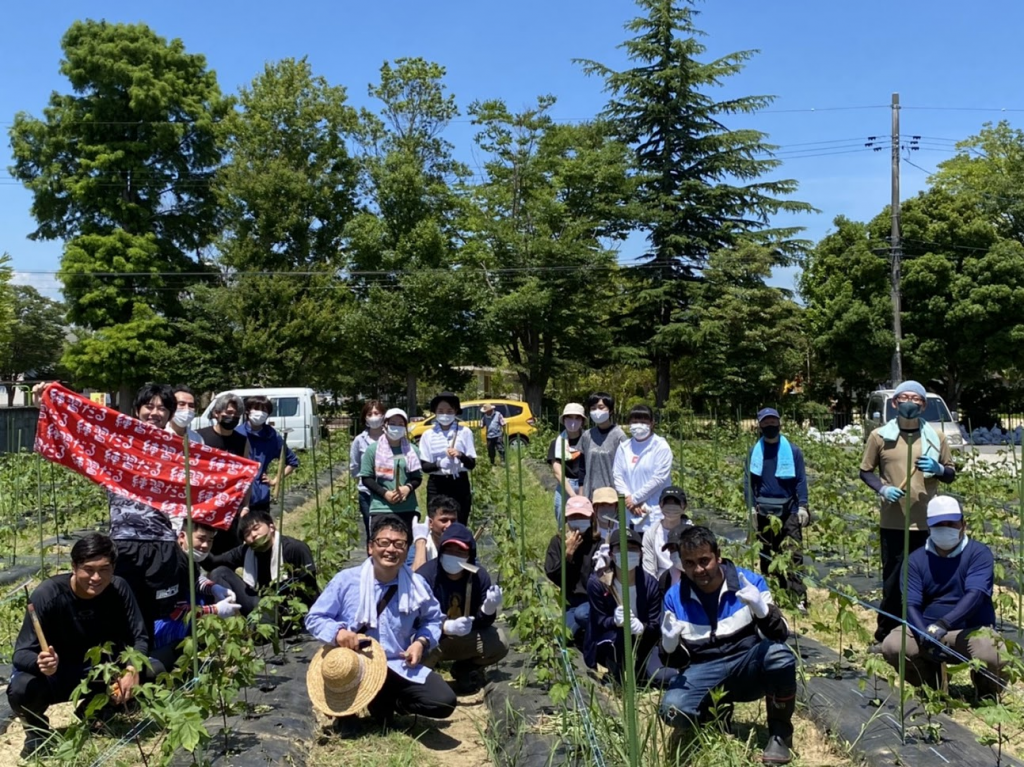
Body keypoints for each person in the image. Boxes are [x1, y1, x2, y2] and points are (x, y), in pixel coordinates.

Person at [305, 514, 456, 731]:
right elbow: (314, 618)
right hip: (355, 665)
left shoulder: (416, 584)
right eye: (383, 543)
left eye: (399, 544)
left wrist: (421, 642)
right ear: (370, 547)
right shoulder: (346, 581)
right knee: (349, 729)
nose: (391, 550)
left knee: (443, 701)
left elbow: (432, 619)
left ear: (406, 550)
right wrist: (338, 633)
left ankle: (387, 702)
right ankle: (353, 708)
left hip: (396, 664)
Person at [659, 526, 795, 765]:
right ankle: (713, 716)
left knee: (779, 656)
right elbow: (678, 664)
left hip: (747, 666)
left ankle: (780, 734)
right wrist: (669, 646)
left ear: (718, 556)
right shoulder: (674, 597)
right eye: (689, 563)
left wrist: (763, 612)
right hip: (704, 669)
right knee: (672, 709)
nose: (698, 570)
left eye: (704, 561)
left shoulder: (749, 583)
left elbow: (780, 634)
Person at [7, 534, 149, 758]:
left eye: (104, 570)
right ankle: (37, 731)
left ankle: (97, 711)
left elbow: (139, 637)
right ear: (73, 567)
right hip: (57, 675)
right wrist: (41, 662)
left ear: (113, 568)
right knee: (22, 688)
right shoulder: (48, 594)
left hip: (100, 672)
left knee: (152, 670)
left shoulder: (119, 590)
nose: (96, 577)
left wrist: (132, 669)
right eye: (88, 569)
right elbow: (20, 653)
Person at [859, 380, 956, 644]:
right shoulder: (880, 436)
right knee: (892, 583)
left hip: (928, 523)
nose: (910, 402)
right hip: (894, 521)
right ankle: (885, 635)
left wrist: (938, 469)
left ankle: (921, 633)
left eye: (916, 398)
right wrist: (882, 489)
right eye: (905, 398)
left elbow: (950, 473)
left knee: (927, 580)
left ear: (923, 405)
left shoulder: (936, 437)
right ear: (895, 403)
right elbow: (865, 471)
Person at [881, 496, 1006, 699]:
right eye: (939, 524)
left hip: (970, 630)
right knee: (894, 646)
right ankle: (931, 683)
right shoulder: (915, 560)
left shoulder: (978, 554)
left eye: (951, 523)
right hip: (928, 627)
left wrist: (943, 624)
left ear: (963, 525)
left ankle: (986, 690)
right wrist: (924, 633)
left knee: (994, 653)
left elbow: (974, 596)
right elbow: (911, 604)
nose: (945, 528)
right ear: (929, 527)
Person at [105, 383, 191, 640]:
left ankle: (153, 667)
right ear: (136, 409)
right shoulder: (116, 445)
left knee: (160, 610)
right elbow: (79, 430)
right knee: (121, 608)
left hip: (162, 543)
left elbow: (195, 489)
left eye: (162, 408)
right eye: (149, 406)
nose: (155, 413)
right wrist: (50, 402)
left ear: (170, 414)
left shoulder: (179, 449)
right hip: (123, 541)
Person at [418, 523, 509, 692]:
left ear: (470, 554)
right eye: (449, 550)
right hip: (434, 639)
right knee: (415, 650)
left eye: (460, 552)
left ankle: (464, 669)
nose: (453, 556)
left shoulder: (479, 576)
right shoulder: (425, 576)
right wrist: (445, 627)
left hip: (466, 639)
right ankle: (424, 680)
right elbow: (415, 620)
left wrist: (488, 609)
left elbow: (483, 623)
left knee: (499, 642)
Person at [152, 522, 242, 673]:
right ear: (182, 537)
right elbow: (177, 612)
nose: (206, 545)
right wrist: (214, 610)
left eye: (211, 540)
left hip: (178, 612)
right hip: (161, 623)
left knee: (202, 597)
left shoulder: (187, 558)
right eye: (201, 538)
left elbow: (195, 580)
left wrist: (213, 587)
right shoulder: (170, 563)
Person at [204, 510, 319, 624]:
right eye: (247, 534)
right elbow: (213, 562)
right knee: (220, 572)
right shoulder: (246, 551)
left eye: (256, 528)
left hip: (290, 610)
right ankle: (228, 623)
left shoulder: (295, 548)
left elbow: (310, 589)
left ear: (271, 527)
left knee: (260, 627)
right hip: (263, 604)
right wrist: (194, 547)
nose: (253, 535)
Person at [746, 408, 810, 610]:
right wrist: (751, 509)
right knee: (767, 552)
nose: (770, 425)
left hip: (789, 509)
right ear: (759, 425)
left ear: (780, 423)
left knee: (793, 553)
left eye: (773, 421)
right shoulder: (755, 452)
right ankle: (771, 592)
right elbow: (749, 482)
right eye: (766, 422)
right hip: (763, 509)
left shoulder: (792, 451)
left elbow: (800, 479)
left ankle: (797, 596)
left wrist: (803, 506)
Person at [585, 528, 662, 683]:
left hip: (641, 639)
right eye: (621, 549)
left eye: (632, 549)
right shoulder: (599, 582)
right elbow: (599, 621)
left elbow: (655, 624)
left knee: (650, 675)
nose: (627, 553)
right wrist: (614, 621)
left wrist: (642, 628)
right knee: (617, 640)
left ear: (640, 553)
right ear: (612, 554)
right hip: (609, 637)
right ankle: (611, 671)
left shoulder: (650, 584)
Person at [197, 392, 252, 553]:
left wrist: (246, 505)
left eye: (236, 415)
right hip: (205, 504)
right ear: (216, 413)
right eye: (228, 413)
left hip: (231, 506)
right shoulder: (201, 437)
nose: (232, 417)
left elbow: (246, 476)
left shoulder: (242, 441)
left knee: (229, 551)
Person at [545, 496, 603, 643]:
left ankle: (593, 636)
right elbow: (554, 575)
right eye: (573, 516)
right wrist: (568, 555)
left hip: (593, 602)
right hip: (571, 603)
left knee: (582, 614)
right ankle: (588, 634)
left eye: (582, 516)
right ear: (566, 519)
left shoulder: (598, 543)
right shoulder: (557, 543)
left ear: (591, 518)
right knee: (564, 636)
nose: (578, 520)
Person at [359, 408, 424, 534]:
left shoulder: (412, 450)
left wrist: (408, 488)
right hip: (381, 508)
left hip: (407, 507)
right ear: (385, 424)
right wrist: (385, 493)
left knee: (404, 547)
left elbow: (417, 477)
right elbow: (366, 478)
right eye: (393, 423)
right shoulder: (373, 450)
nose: (397, 427)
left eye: (401, 424)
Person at [613, 404, 673, 533]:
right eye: (635, 422)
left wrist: (635, 499)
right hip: (628, 509)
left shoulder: (660, 446)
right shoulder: (624, 447)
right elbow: (617, 475)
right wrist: (629, 500)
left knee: (651, 547)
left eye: (643, 421)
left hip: (653, 509)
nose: (638, 425)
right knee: (629, 548)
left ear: (652, 423)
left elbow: (659, 478)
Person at [419, 392, 477, 526]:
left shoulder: (465, 432)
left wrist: (460, 455)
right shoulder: (428, 435)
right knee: (437, 523)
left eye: (449, 411)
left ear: (456, 411)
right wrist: (439, 464)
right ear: (435, 412)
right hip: (437, 484)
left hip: (459, 482)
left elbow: (471, 464)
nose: (445, 414)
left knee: (459, 521)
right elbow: (425, 466)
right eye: (441, 411)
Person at [240, 394, 300, 512]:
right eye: (256, 409)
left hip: (260, 497)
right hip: (238, 496)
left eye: (264, 410)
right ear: (247, 410)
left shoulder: (271, 436)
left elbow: (292, 461)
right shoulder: (237, 434)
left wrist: (275, 480)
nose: (260, 413)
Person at [578, 392, 628, 501]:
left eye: (601, 407)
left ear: (610, 410)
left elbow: (626, 468)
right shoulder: (587, 436)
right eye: (593, 408)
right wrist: (581, 492)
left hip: (612, 494)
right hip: (589, 492)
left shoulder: (619, 436)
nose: (597, 411)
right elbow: (582, 468)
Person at [350, 401, 385, 542]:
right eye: (370, 414)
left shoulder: (390, 438)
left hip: (387, 492)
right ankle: (372, 560)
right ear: (365, 418)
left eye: (377, 413)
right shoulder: (359, 440)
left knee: (387, 528)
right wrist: (365, 480)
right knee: (371, 529)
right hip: (367, 493)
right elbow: (354, 465)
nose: (373, 417)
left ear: (383, 416)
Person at [642, 486, 692, 580]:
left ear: (684, 506)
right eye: (667, 502)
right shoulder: (650, 534)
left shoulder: (693, 532)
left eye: (676, 502)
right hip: (661, 583)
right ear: (660, 505)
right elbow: (649, 571)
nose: (671, 506)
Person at [548, 403, 587, 522]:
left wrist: (582, 494)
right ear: (564, 420)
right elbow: (557, 472)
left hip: (586, 485)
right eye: (569, 417)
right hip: (565, 485)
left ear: (582, 421)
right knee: (562, 518)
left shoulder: (588, 441)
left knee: (586, 520)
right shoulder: (557, 443)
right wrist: (573, 496)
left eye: (577, 418)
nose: (573, 421)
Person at [411, 494, 460, 571]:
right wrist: (420, 543)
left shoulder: (464, 547)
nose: (449, 525)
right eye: (444, 520)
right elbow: (415, 579)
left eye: (453, 521)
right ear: (430, 523)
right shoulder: (418, 549)